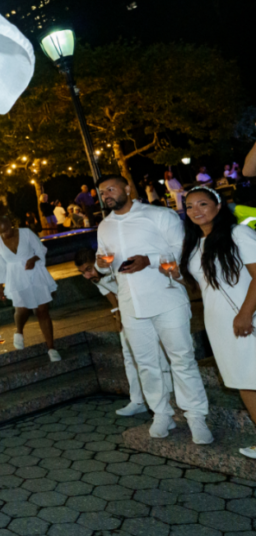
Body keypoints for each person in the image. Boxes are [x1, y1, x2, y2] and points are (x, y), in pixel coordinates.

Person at [95, 174, 212, 443]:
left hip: (167, 298)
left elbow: (183, 250)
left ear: (128, 187)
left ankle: (196, 416)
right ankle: (161, 414)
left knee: (182, 359)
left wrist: (148, 260)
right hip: (130, 303)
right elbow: (102, 262)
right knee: (146, 363)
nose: (107, 195)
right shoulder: (105, 226)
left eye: (111, 189)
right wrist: (102, 263)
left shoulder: (159, 215)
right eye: (102, 192)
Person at [176, 186, 256, 458]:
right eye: (189, 206)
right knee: (243, 380)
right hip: (218, 323)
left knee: (250, 378)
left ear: (218, 206)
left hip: (247, 318)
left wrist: (245, 313)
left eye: (202, 204)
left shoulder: (238, 234)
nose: (195, 211)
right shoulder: (194, 244)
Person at [74, 247, 172, 416]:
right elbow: (109, 293)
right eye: (82, 272)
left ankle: (168, 396)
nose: (87, 276)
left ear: (98, 262)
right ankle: (137, 400)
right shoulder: (97, 278)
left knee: (157, 353)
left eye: (89, 269)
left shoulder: (118, 268)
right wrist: (117, 313)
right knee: (128, 356)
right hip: (126, 311)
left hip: (145, 308)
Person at [0, 215, 61, 361]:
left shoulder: (26, 233)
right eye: (1, 232)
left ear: (11, 224)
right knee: (22, 309)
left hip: (34, 273)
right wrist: (0, 287)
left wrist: (34, 258)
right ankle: (19, 331)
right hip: (15, 277)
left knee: (42, 311)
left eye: (7, 230)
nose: (5, 234)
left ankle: (51, 348)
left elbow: (41, 249)